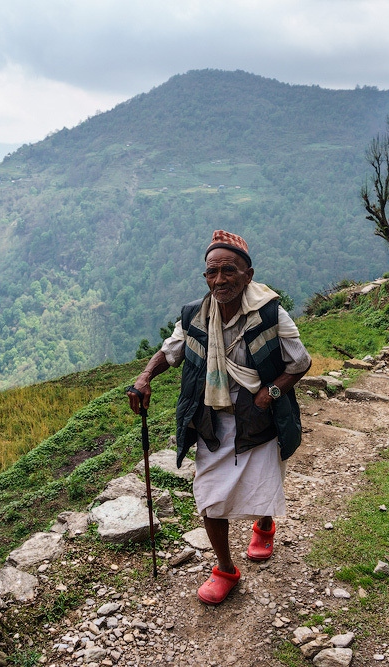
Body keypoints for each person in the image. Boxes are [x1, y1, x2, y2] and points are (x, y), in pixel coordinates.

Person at [127, 229, 311, 605]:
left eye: (229, 271)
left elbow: (300, 363)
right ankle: (226, 569)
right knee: (209, 498)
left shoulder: (270, 314)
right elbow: (171, 351)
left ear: (249, 274)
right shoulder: (195, 314)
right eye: (212, 272)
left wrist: (270, 392)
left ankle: (263, 524)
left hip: (258, 421)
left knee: (263, 486)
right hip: (212, 421)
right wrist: (145, 377)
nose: (220, 280)